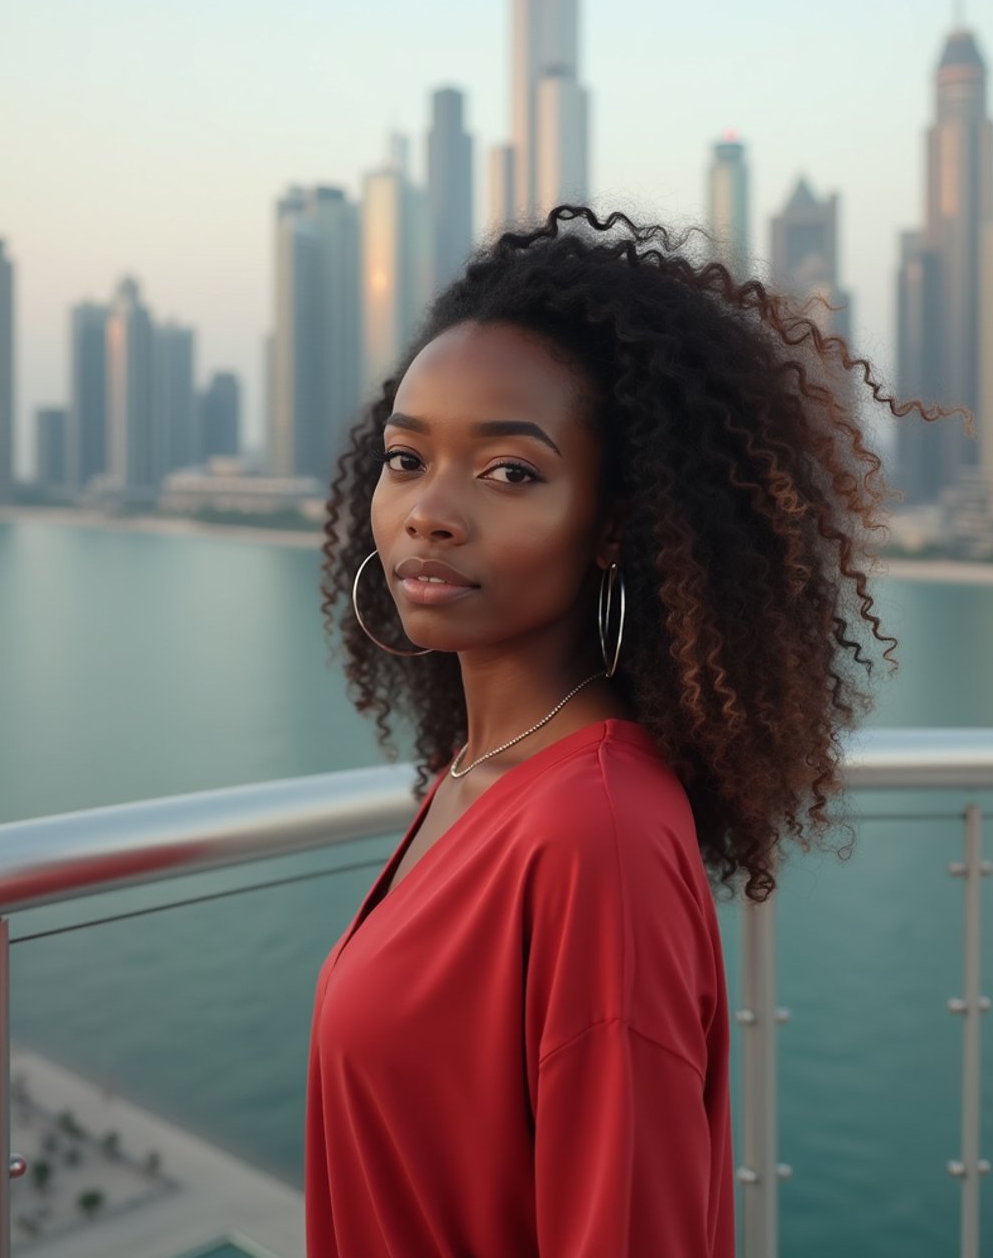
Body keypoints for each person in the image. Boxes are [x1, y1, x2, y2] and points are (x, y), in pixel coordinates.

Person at [307, 206, 960, 1257]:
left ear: (613, 521)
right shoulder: (477, 778)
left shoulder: (591, 833)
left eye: (509, 471)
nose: (428, 512)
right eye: (405, 458)